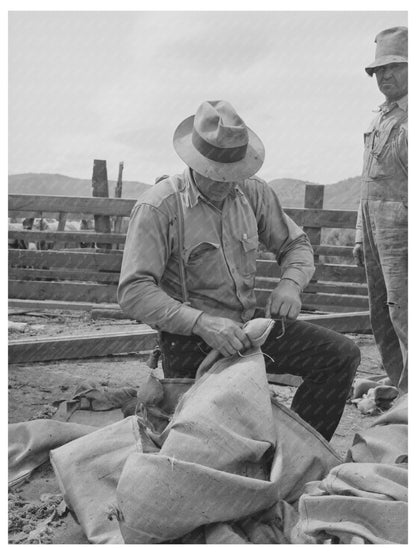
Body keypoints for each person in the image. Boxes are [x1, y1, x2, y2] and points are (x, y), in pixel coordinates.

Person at [118, 100, 360, 441]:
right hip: (190, 340)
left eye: (234, 173)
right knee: (219, 440)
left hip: (249, 330)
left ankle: (302, 454)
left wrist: (290, 285)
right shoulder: (159, 207)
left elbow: (297, 246)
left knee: (340, 356)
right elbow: (134, 291)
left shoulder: (253, 191)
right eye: (217, 173)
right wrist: (203, 323)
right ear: (195, 161)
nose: (226, 181)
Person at [353, 27, 408, 393]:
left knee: (405, 311)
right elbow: (367, 185)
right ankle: (401, 385)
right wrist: (360, 235)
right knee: (383, 312)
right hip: (375, 230)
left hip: (403, 232)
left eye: (394, 67)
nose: (385, 76)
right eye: (379, 71)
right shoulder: (381, 117)